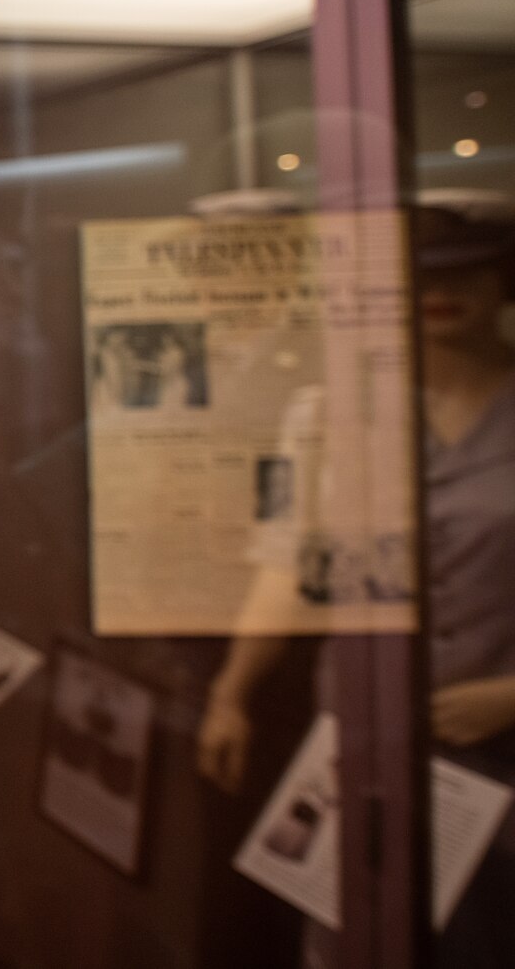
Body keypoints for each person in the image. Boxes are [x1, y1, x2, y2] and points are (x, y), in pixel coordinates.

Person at [197, 189, 515, 966]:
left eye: (468, 274)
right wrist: (231, 692)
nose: (443, 294)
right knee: (350, 936)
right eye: (424, 276)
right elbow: (285, 565)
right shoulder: (319, 415)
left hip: (502, 747)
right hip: (366, 736)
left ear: (504, 280)